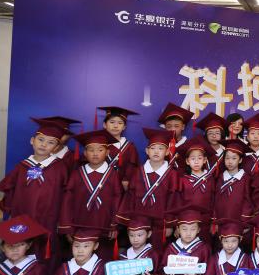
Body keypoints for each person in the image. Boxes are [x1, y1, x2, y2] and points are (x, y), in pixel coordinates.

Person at [0, 118, 70, 268]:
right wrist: (10, 212)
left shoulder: (60, 168)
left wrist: (62, 220)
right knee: (21, 249)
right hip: (22, 217)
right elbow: (10, 191)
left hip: (48, 219)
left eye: (50, 142)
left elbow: (67, 196)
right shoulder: (22, 167)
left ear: (56, 147)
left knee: (45, 252)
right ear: (32, 140)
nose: (44, 144)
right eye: (41, 140)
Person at [58, 129, 123, 261]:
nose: (95, 153)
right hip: (79, 226)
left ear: (107, 152)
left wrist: (115, 225)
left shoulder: (113, 174)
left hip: (104, 227)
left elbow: (118, 200)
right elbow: (67, 201)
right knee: (79, 259)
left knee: (104, 259)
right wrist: (67, 226)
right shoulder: (77, 173)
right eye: (91, 150)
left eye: (100, 150)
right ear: (85, 153)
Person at [116, 128, 180, 253]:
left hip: (160, 224)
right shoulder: (137, 172)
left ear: (167, 152)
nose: (156, 151)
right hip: (139, 224)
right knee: (139, 254)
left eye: (160, 148)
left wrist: (169, 225)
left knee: (158, 253)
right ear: (146, 151)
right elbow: (130, 197)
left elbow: (173, 200)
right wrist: (129, 221)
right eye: (152, 148)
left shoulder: (172, 174)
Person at [173, 137, 218, 242]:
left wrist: (214, 221)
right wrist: (177, 224)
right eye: (193, 159)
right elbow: (178, 203)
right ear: (187, 161)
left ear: (205, 160)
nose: (196, 162)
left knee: (204, 245)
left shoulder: (210, 179)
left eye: (199, 158)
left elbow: (214, 201)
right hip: (187, 223)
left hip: (205, 221)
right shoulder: (183, 179)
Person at [212, 139, 253, 224]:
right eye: (227, 158)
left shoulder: (245, 179)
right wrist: (215, 218)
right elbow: (215, 200)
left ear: (240, 160)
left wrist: (243, 220)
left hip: (238, 220)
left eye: (234, 158)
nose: (230, 161)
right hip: (221, 219)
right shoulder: (220, 178)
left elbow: (248, 201)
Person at [98, 106, 140, 188]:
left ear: (124, 127)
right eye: (112, 122)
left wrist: (126, 181)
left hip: (121, 188)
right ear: (104, 125)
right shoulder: (97, 145)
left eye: (120, 123)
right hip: (99, 186)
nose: (116, 126)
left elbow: (132, 169)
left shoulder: (129, 147)